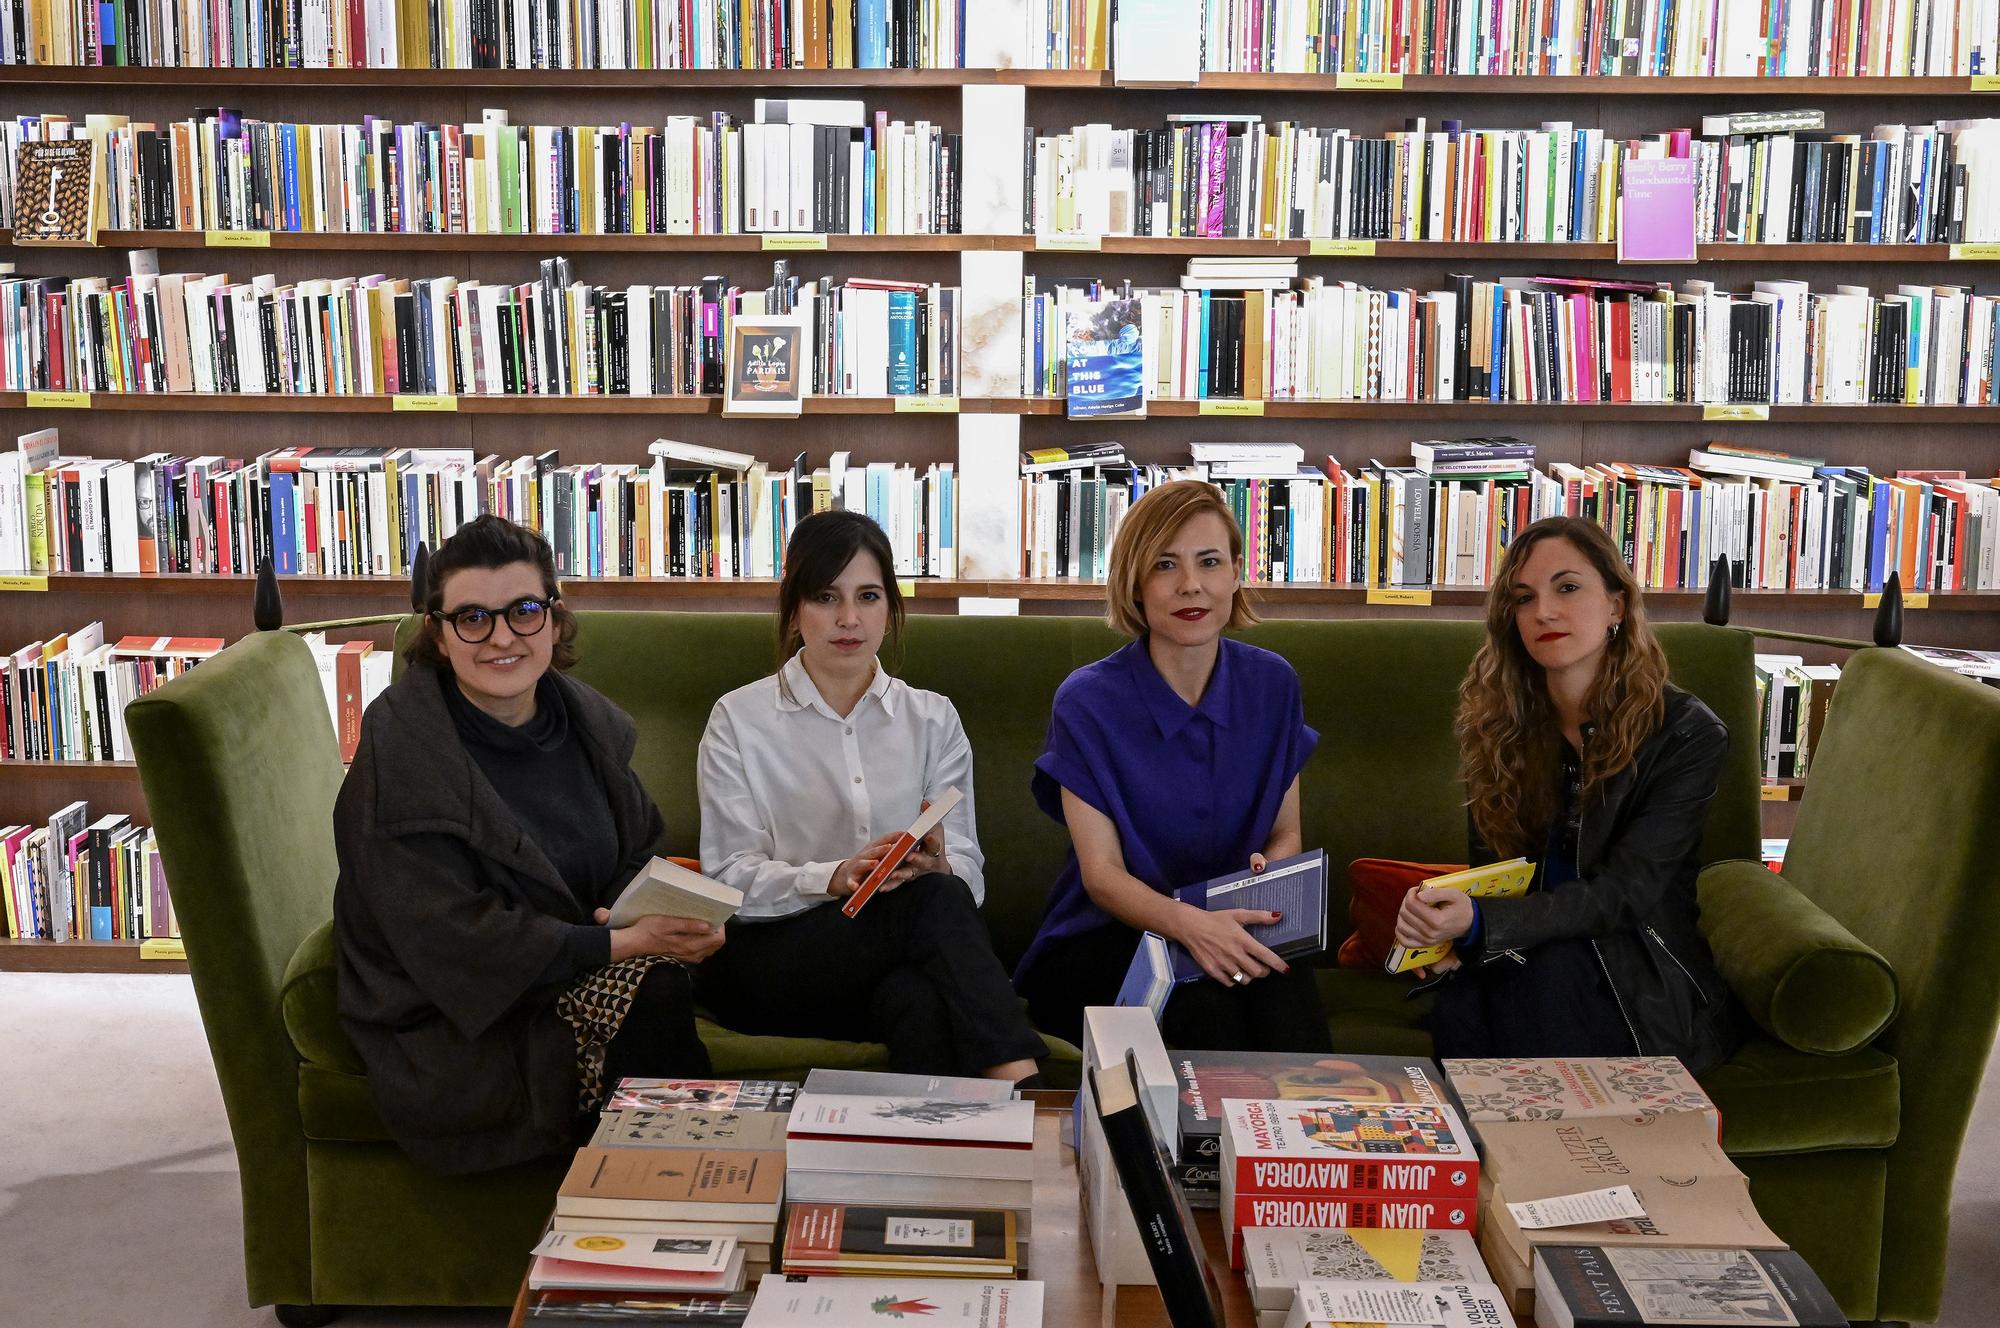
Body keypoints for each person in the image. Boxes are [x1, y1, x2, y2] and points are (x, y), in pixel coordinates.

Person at [333, 516, 719, 1174]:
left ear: (555, 618)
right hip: (464, 1021)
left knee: (757, 949)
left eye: (524, 610)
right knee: (652, 998)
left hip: (577, 964)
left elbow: (637, 848)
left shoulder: (583, 726)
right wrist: (618, 943)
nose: (503, 637)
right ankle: (667, 1212)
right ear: (438, 632)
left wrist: (651, 915)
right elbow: (453, 938)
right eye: (473, 618)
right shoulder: (403, 758)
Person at [694, 510, 1046, 1084]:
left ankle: (923, 1163)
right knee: (933, 901)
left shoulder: (932, 719)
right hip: (773, 961)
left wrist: (941, 864)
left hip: (891, 963)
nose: (849, 618)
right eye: (826, 596)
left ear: (891, 608)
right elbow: (730, 879)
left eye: (869, 596)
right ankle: (1027, 1090)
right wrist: (832, 876)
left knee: (918, 995)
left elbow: (970, 873)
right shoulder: (739, 718)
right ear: (795, 607)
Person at [1395, 515, 1742, 1073]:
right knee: (1462, 1006)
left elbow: (1627, 894)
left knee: (1544, 982)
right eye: (1523, 598)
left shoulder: (1686, 732)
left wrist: (1483, 924)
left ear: (1617, 606)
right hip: (1524, 957)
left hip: (1634, 971)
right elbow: (1495, 876)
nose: (1544, 612)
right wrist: (1444, 938)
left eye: (1568, 588)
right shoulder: (1497, 724)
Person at [1014, 479, 1330, 1053]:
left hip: (1235, 922)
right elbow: (1102, 875)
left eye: (1209, 562)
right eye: (1165, 565)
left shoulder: (1273, 684)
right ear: (1134, 582)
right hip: (1108, 937)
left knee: (1286, 997)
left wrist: (1266, 882)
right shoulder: (1086, 700)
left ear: (1236, 572)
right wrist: (1194, 928)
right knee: (1207, 1011)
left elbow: (1286, 834)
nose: (1191, 585)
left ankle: (1314, 1140)